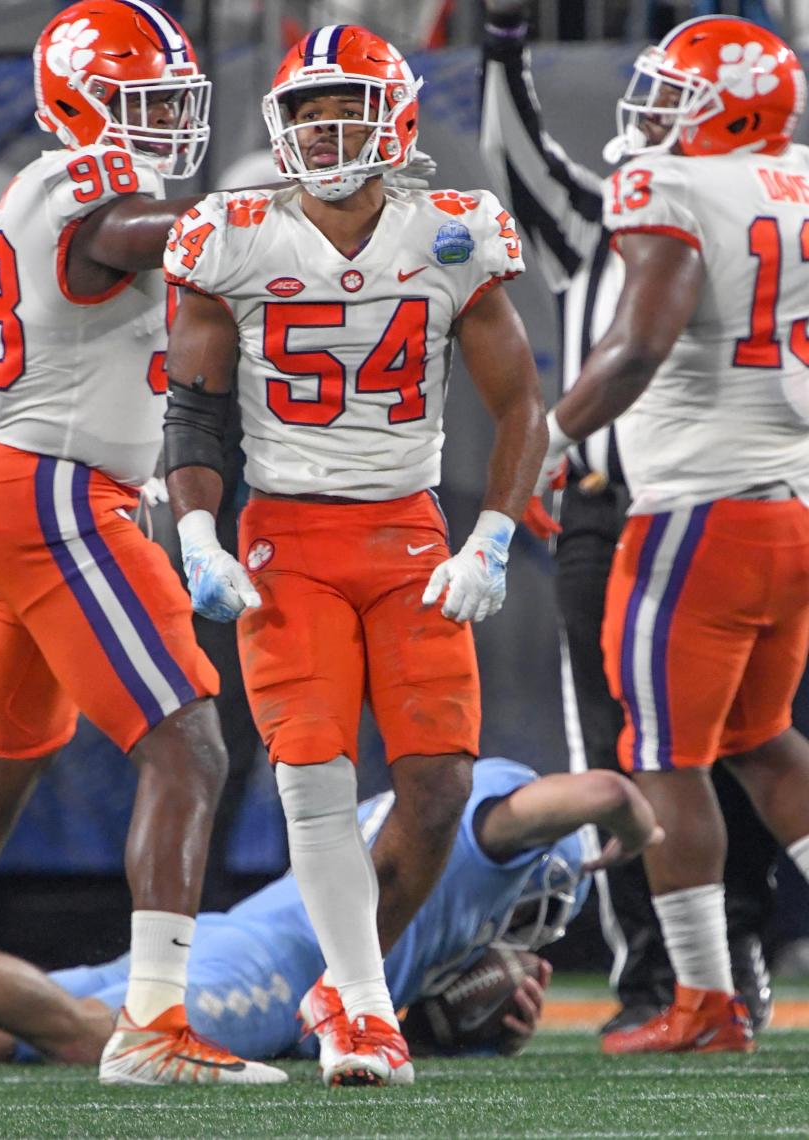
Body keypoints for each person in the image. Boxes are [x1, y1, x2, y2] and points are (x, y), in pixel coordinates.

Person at [0, 0, 291, 1088]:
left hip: (20, 493)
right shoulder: (81, 190)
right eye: (140, 103)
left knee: (2, 773)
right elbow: (149, 239)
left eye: (172, 104)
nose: (163, 124)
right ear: (77, 103)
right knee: (188, 741)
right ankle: (152, 1029)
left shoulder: (62, 186)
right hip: (55, 498)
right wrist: (284, 214)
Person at [160, 23, 548, 1086]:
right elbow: (191, 411)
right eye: (307, 112)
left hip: (410, 529)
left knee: (437, 786)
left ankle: (346, 979)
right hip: (288, 532)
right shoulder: (231, 233)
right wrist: (197, 532)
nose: (326, 131)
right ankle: (369, 1009)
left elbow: (520, 407)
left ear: (398, 118)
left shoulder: (450, 231)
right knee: (314, 772)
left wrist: (492, 539)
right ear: (279, 127)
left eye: (347, 109)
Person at [480, 0, 778, 1036]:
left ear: (729, 117)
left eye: (679, 102)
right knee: (765, 744)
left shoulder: (673, 185)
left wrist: (547, 444)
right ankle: (697, 985)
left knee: (658, 757)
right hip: (781, 509)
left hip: (691, 515)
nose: (651, 118)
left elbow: (640, 344)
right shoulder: (784, 183)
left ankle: (700, 996)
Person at [0, 759, 661, 1066]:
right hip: (269, 972)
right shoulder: (489, 833)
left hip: (248, 940)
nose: (522, 938)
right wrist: (635, 824)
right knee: (86, 1041)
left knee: (7, 1041)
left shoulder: (442, 826)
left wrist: (460, 1026)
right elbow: (601, 792)